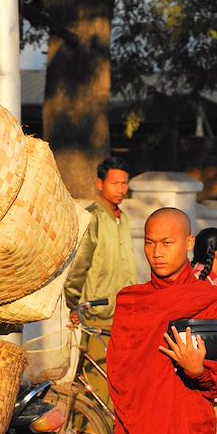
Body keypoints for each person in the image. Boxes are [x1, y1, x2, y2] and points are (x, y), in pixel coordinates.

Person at [107, 207, 217, 434]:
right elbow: (119, 370)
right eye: (149, 243)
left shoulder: (216, 302)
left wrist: (198, 370)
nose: (156, 253)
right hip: (138, 429)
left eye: (167, 243)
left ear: (189, 243)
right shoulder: (131, 301)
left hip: (186, 430)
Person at [63, 157, 138, 405]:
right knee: (95, 376)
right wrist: (73, 304)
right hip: (97, 309)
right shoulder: (92, 217)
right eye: (114, 183)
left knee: (118, 374)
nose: (120, 188)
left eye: (124, 183)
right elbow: (79, 265)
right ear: (99, 184)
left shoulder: (123, 219)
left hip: (123, 310)